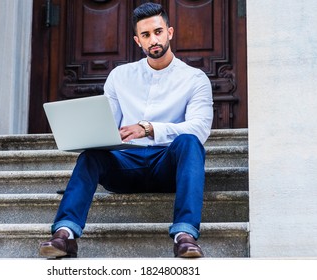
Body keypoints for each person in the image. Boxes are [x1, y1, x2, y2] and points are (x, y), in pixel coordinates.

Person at [39, 2, 213, 258]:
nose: (153, 39)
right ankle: (65, 234)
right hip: (126, 166)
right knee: (91, 155)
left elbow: (200, 128)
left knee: (189, 142)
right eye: (145, 35)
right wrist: (88, 134)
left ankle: (184, 235)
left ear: (170, 32)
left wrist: (148, 128)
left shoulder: (195, 79)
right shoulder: (120, 76)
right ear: (137, 40)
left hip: (168, 165)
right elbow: (106, 125)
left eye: (158, 31)